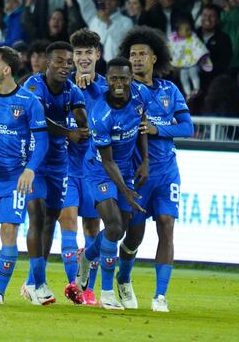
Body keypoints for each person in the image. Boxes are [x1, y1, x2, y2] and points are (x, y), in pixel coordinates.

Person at [116, 26, 194, 312]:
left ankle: (160, 296)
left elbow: (188, 127)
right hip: (136, 173)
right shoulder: (122, 89)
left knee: (166, 225)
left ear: (154, 59)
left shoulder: (169, 90)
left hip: (167, 172)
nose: (136, 59)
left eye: (142, 55)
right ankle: (123, 278)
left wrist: (158, 128)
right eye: (132, 54)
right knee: (133, 235)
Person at [0, 46, 48, 305]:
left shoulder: (28, 102)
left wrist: (30, 169)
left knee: (9, 233)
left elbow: (42, 141)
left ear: (6, 69)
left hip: (14, 179)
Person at [75, 56, 147, 310]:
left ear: (130, 80)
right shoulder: (99, 113)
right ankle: (106, 293)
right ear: (107, 81)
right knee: (114, 228)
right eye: (114, 78)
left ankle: (87, 256)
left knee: (121, 230)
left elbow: (142, 127)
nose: (119, 83)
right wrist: (126, 191)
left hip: (126, 169)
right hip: (99, 170)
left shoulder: (139, 98)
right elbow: (107, 161)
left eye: (124, 79)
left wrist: (145, 160)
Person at [21, 41, 89, 305]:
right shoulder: (33, 86)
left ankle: (32, 280)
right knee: (36, 215)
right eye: (59, 61)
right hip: (34, 161)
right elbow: (39, 121)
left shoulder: (72, 90)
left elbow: (82, 118)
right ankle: (39, 283)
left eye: (69, 62)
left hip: (60, 163)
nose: (65, 66)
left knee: (50, 219)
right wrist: (69, 132)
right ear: (47, 63)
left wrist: (84, 122)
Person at [60, 28, 107, 306]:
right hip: (66, 167)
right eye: (78, 53)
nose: (83, 57)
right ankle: (73, 287)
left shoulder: (107, 88)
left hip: (94, 169)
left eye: (89, 52)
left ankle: (87, 288)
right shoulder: (61, 86)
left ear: (98, 55)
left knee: (92, 228)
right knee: (67, 222)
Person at [169, 15, 212, 100]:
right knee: (183, 77)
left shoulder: (193, 38)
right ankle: (188, 93)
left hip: (193, 62)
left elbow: (199, 47)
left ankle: (196, 88)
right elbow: (170, 50)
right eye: (186, 30)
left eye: (190, 29)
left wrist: (203, 55)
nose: (189, 32)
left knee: (193, 72)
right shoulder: (173, 40)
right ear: (179, 31)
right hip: (182, 65)